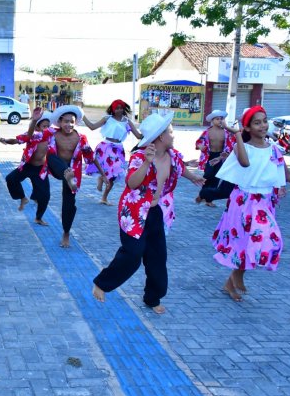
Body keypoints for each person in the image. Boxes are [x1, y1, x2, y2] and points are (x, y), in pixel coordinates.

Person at [92, 112, 205, 314]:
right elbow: (131, 183)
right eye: (170, 132)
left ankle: (153, 298)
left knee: (157, 257)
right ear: (160, 136)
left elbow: (180, 169)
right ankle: (102, 283)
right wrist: (146, 162)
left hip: (154, 211)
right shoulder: (139, 156)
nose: (173, 135)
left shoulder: (173, 155)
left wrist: (194, 178)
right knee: (133, 254)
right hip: (134, 211)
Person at [214, 106, 290, 301]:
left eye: (264, 120)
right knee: (252, 242)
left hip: (264, 202)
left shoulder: (273, 148)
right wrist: (237, 134)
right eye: (257, 122)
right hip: (245, 201)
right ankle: (233, 280)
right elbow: (245, 162)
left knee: (260, 243)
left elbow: (286, 174)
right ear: (247, 128)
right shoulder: (243, 147)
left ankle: (232, 280)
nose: (263, 125)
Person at [45, 106, 106, 248]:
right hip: (56, 168)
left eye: (72, 122)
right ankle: (67, 174)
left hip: (73, 173)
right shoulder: (51, 134)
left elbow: (91, 157)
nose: (69, 125)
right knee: (53, 157)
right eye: (66, 121)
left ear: (75, 123)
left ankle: (66, 233)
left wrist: (103, 175)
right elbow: (32, 138)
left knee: (69, 204)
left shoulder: (80, 138)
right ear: (60, 122)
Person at [82, 99, 142, 205]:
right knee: (108, 170)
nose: (119, 110)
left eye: (121, 108)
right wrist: (81, 115)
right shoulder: (107, 119)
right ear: (113, 109)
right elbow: (92, 127)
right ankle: (101, 177)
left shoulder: (127, 121)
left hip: (118, 149)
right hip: (106, 147)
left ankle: (104, 197)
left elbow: (138, 136)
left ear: (124, 109)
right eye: (116, 108)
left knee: (114, 175)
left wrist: (152, 133)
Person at [0, 111, 53, 225]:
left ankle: (38, 218)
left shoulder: (51, 137)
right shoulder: (32, 135)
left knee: (45, 196)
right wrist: (6, 141)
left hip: (40, 170)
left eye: (48, 126)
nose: (47, 128)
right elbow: (17, 140)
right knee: (10, 178)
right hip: (27, 166)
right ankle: (23, 198)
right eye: (44, 126)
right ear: (38, 127)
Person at [194, 109, 236, 207]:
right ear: (212, 120)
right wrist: (200, 146)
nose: (220, 121)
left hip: (220, 157)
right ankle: (202, 194)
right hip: (209, 156)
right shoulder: (207, 132)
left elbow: (232, 143)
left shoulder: (226, 133)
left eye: (221, 119)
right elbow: (198, 142)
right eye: (217, 119)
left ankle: (209, 200)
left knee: (216, 177)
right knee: (208, 175)